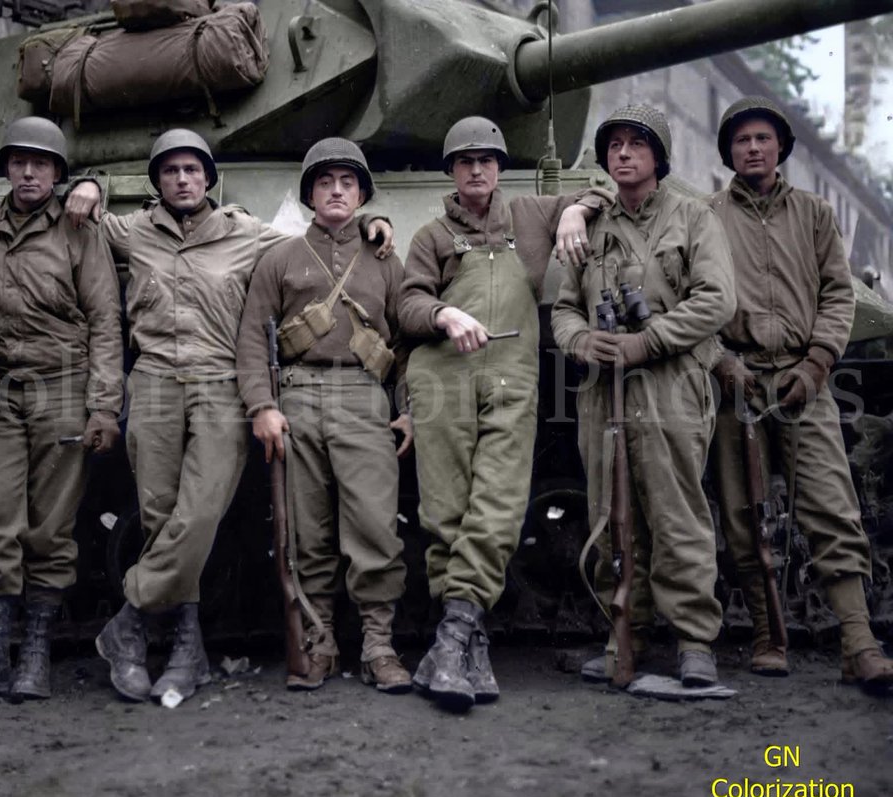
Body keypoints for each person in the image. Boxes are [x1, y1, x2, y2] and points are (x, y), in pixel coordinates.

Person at [63, 130, 393, 704]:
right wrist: (89, 183)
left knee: (199, 513)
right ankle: (187, 651)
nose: (183, 179)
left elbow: (319, 239)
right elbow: (84, 216)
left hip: (218, 384)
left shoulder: (247, 233)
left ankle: (129, 622)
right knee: (161, 517)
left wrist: (372, 221)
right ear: (157, 182)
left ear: (209, 178)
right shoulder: (134, 230)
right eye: (170, 171)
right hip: (157, 382)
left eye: (193, 169)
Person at [397, 116, 608, 710]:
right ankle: (469, 645)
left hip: (512, 377)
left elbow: (608, 190)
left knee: (498, 506)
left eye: (487, 160)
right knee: (445, 511)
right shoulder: (433, 236)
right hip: (442, 377)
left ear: (500, 167)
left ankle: (452, 635)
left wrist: (574, 210)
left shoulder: (532, 215)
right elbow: (408, 302)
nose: (477, 169)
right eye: (465, 161)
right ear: (452, 172)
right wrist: (443, 315)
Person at [707, 96, 893, 689]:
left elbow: (838, 295)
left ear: (779, 148)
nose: (753, 148)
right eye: (741, 141)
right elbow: (692, 299)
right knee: (743, 517)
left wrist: (816, 365)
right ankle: (767, 635)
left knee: (831, 507)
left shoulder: (814, 214)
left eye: (763, 138)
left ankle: (858, 642)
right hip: (737, 383)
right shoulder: (707, 216)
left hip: (800, 379)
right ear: (730, 152)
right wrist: (721, 360)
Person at [550, 104, 736, 689]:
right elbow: (563, 307)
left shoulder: (693, 217)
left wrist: (646, 341)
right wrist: (582, 341)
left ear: (659, 156)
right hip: (603, 389)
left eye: (636, 144)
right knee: (611, 515)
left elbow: (716, 301)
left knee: (676, 511)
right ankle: (624, 628)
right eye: (614, 145)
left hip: (670, 383)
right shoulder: (590, 226)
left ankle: (694, 642)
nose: (623, 153)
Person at [0, 116, 123, 704]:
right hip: (3, 394)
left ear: (57, 174)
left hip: (65, 390)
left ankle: (35, 653)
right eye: (19, 161)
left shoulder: (78, 233)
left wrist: (103, 409)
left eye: (41, 163)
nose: (28, 171)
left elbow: (104, 323)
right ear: (6, 167)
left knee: (51, 528)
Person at [235, 138, 413, 693]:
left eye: (348, 183)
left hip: (364, 397)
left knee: (376, 529)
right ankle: (319, 640)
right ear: (311, 193)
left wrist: (407, 410)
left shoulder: (385, 259)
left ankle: (379, 645)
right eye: (325, 182)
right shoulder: (280, 259)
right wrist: (262, 406)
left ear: (361, 194)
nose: (336, 191)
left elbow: (407, 343)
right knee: (307, 534)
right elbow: (249, 339)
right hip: (297, 399)